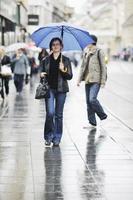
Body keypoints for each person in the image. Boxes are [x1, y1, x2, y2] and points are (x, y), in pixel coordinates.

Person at [41, 37, 73, 146]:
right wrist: (42, 75)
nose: (55, 46)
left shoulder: (65, 60)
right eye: (53, 44)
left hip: (61, 90)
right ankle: (48, 136)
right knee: (50, 113)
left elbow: (69, 76)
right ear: (51, 46)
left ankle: (57, 138)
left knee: (58, 115)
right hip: (49, 89)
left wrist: (63, 70)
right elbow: (42, 74)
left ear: (61, 46)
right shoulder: (46, 60)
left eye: (58, 44)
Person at [77, 34, 107, 128]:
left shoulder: (99, 52)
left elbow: (103, 67)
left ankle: (102, 115)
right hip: (87, 80)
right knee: (88, 102)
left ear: (91, 41)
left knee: (92, 99)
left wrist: (103, 82)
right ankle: (92, 123)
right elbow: (82, 67)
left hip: (96, 80)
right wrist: (78, 80)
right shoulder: (86, 52)